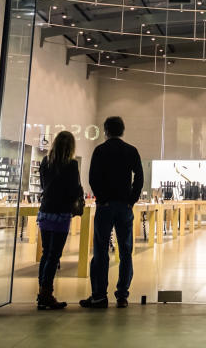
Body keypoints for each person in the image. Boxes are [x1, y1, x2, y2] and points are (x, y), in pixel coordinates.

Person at [81, 116, 143, 309]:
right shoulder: (131, 151)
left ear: (106, 131)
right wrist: (131, 200)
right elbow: (139, 177)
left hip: (105, 207)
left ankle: (99, 295)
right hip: (124, 207)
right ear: (122, 131)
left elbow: (93, 178)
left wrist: (102, 198)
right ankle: (122, 295)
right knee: (125, 251)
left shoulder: (100, 151)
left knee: (101, 250)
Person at [36, 130, 83, 310]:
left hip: (46, 211)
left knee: (46, 253)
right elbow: (73, 190)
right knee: (54, 255)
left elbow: (43, 185)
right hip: (61, 214)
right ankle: (46, 294)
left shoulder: (46, 162)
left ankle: (42, 293)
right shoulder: (71, 165)